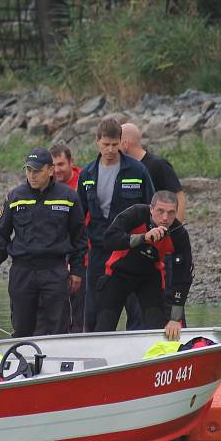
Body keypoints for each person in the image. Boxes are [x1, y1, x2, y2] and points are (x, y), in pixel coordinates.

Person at [0, 147, 85, 337]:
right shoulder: (14, 197)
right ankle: (23, 365)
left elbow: (79, 238)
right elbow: (2, 235)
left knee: (58, 328)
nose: (32, 175)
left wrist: (77, 271)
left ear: (50, 170)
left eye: (37, 171)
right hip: (23, 271)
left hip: (54, 270)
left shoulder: (68, 197)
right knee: (22, 327)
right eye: (28, 170)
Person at [77, 119, 155, 332]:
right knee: (94, 312)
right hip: (99, 252)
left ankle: (138, 358)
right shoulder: (87, 174)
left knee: (136, 311)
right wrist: (75, 256)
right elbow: (77, 219)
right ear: (97, 142)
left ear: (121, 142)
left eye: (114, 144)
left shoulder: (137, 171)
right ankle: (94, 355)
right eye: (106, 145)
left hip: (131, 250)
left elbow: (152, 209)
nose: (110, 150)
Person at [93, 190, 193, 341]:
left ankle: (154, 359)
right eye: (160, 211)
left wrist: (174, 318)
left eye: (171, 213)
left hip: (149, 277)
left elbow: (183, 277)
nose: (165, 218)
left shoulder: (179, 234)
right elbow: (109, 239)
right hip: (118, 274)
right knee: (104, 326)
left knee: (156, 326)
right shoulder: (137, 213)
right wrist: (143, 238)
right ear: (151, 209)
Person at [121, 122, 187, 326]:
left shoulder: (158, 165)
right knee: (136, 306)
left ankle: (178, 340)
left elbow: (179, 197)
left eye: (116, 144)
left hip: (162, 248)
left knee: (166, 300)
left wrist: (173, 233)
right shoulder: (125, 170)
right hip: (137, 246)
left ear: (125, 144)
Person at [49, 143, 85, 332]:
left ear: (71, 162)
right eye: (53, 166)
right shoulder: (47, 185)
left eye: (61, 164)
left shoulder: (83, 184)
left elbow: (84, 227)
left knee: (80, 312)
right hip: (56, 260)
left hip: (82, 257)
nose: (57, 170)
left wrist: (75, 263)